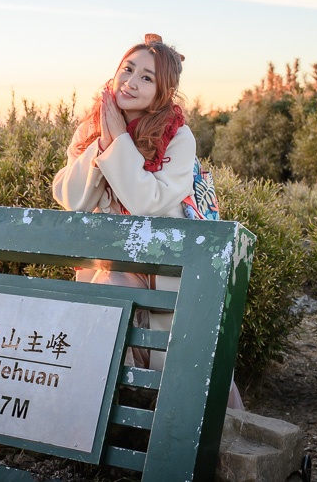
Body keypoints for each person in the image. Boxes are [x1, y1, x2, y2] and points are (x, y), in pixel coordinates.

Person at [52, 33, 244, 410]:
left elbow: (148, 202)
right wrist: (103, 140)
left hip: (165, 265)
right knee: (106, 304)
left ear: (163, 91)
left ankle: (228, 435)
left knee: (192, 355)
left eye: (147, 77)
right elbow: (73, 198)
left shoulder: (177, 136)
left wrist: (119, 140)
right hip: (111, 261)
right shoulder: (91, 128)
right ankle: (109, 422)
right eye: (128, 69)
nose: (132, 82)